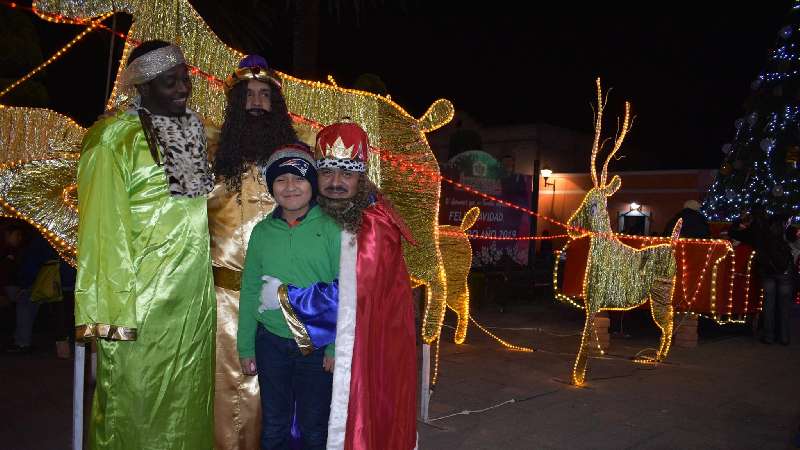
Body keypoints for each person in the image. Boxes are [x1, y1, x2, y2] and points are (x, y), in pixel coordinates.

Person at [75, 40, 215, 449]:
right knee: (135, 412)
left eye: (185, 79)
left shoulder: (190, 132)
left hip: (192, 307)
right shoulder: (111, 139)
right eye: (169, 81)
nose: (182, 88)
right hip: (141, 307)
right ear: (144, 85)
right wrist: (109, 314)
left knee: (189, 410)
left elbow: (196, 216)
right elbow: (102, 230)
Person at [264, 121, 418, 449]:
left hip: (359, 351)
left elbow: (353, 296)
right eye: (327, 173)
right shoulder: (316, 214)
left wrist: (288, 298)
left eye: (346, 174)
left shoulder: (374, 226)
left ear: (360, 177)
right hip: (313, 349)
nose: (335, 183)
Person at [209, 54, 312, 450]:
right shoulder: (211, 155)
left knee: (282, 400)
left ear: (276, 103)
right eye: (248, 94)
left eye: (264, 95)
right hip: (221, 304)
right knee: (222, 397)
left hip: (283, 300)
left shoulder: (297, 161)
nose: (255, 102)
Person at [237, 143, 340, 449]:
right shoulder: (262, 233)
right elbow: (251, 289)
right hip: (271, 343)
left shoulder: (333, 228)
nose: (290, 187)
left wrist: (334, 348)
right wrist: (245, 346)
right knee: (274, 425)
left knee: (313, 426)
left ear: (312, 184)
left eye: (299, 179)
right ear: (272, 187)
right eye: (281, 180)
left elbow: (343, 289)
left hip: (317, 347)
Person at [730, 207, 794, 345]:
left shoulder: (756, 230)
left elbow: (734, 233)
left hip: (767, 269)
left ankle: (769, 336)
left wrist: (739, 221)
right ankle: (784, 337)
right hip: (784, 269)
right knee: (784, 305)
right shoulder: (779, 227)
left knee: (768, 303)